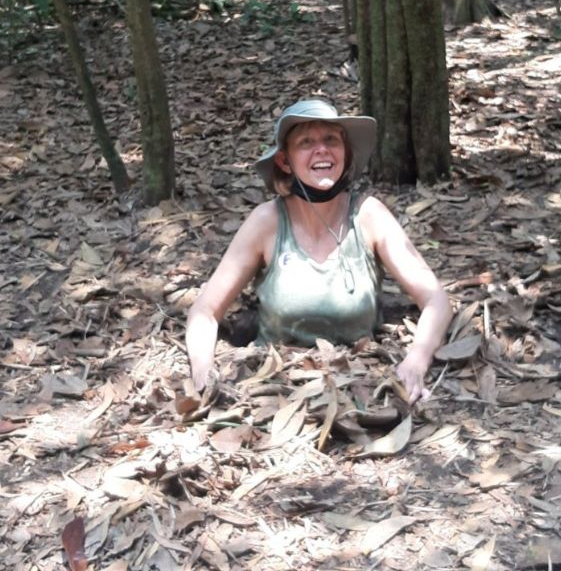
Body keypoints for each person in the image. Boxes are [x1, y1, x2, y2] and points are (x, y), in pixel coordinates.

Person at [186, 99, 451, 404]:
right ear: (286, 162)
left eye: (331, 140)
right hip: (270, 393)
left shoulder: (368, 216)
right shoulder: (267, 222)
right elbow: (204, 311)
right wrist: (203, 371)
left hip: (359, 392)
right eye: (306, 142)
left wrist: (416, 361)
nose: (321, 149)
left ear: (345, 154)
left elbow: (436, 299)